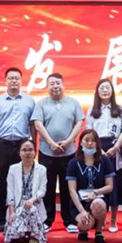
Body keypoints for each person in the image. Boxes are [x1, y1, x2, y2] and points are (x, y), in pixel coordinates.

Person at [32, 73, 84, 233]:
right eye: (52, 84)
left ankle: (69, 220)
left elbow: (79, 122)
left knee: (68, 187)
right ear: (47, 87)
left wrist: (68, 141)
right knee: (47, 187)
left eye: (58, 83)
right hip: (47, 152)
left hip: (69, 152)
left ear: (63, 85)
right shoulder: (41, 104)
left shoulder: (73, 103)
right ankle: (47, 220)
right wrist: (51, 143)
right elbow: (38, 125)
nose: (55, 86)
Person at [0, 67, 36, 232]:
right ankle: (3, 220)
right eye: (11, 78)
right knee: (3, 183)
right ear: (6, 81)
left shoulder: (29, 101)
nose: (14, 81)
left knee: (23, 182)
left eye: (16, 78)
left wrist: (34, 145)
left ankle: (23, 219)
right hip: (3, 145)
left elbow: (33, 125)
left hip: (23, 145)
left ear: (21, 81)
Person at [86, 78, 122, 233]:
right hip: (97, 149)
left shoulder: (119, 109)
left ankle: (114, 220)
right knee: (99, 182)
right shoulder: (92, 110)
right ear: (97, 91)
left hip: (115, 148)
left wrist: (116, 147)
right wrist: (98, 150)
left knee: (114, 184)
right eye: (102, 88)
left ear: (112, 91)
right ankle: (100, 218)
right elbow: (89, 132)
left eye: (107, 88)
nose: (105, 90)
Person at [66, 129, 115, 243]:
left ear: (97, 143)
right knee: (85, 223)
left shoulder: (104, 160)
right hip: (80, 202)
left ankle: (99, 231)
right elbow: (72, 190)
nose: (89, 143)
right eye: (86, 140)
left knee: (98, 204)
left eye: (93, 140)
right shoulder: (73, 163)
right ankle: (83, 230)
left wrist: (96, 193)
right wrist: (82, 211)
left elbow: (110, 186)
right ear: (80, 142)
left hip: (98, 198)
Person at [4, 139, 48, 243]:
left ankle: (33, 235)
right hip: (17, 206)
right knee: (12, 238)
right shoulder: (13, 169)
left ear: (35, 152)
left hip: (34, 205)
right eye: (24, 150)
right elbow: (10, 192)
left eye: (30, 150)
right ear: (19, 153)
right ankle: (23, 234)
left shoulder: (42, 169)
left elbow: (42, 191)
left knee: (31, 209)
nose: (27, 153)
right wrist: (11, 212)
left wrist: (31, 201)